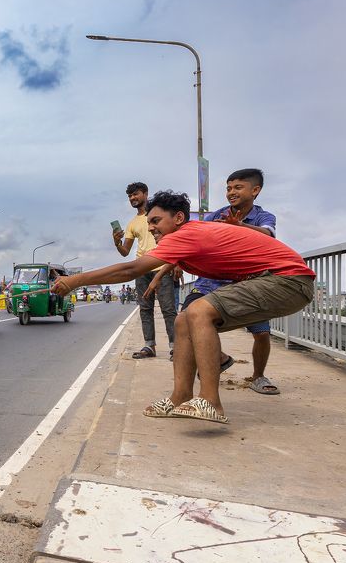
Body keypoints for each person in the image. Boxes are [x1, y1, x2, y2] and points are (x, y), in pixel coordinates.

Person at [53, 190, 315, 424]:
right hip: (274, 281)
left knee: (199, 310)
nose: (152, 228)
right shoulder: (189, 235)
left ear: (178, 218)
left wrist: (75, 280)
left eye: (156, 221)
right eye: (149, 223)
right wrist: (158, 277)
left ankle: (210, 402)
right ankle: (180, 397)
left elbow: (130, 269)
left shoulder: (186, 233)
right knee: (182, 320)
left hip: (288, 281)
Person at [168, 168, 281, 395]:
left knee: (261, 333)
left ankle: (258, 376)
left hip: (246, 283)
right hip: (210, 282)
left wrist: (240, 227)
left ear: (255, 190)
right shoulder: (217, 215)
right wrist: (177, 262)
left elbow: (268, 235)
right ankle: (214, 362)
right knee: (185, 320)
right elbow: (195, 239)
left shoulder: (263, 217)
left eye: (238, 187)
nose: (231, 192)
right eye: (228, 188)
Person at [114, 182, 176, 359]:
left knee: (168, 309)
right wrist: (117, 242)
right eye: (130, 196)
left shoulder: (159, 215)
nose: (132, 198)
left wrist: (176, 263)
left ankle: (176, 347)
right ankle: (149, 346)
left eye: (135, 194)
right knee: (145, 308)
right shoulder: (132, 223)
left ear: (145, 193)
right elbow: (125, 252)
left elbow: (174, 237)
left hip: (162, 266)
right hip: (142, 269)